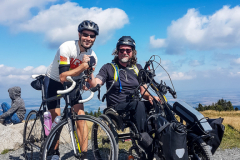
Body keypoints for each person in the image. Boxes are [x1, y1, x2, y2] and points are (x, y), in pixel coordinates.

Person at [90, 36, 161, 159]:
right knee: (138, 104)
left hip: (134, 105)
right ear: (117, 51)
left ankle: (161, 137)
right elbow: (97, 82)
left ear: (133, 52)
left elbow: (143, 91)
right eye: (121, 50)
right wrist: (89, 73)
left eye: (128, 50)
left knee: (156, 103)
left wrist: (150, 97)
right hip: (116, 108)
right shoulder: (108, 67)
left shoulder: (137, 68)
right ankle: (143, 138)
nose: (124, 52)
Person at [45, 20, 99, 160]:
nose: (88, 38)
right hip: (54, 80)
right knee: (55, 117)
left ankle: (84, 155)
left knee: (80, 115)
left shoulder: (93, 56)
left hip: (72, 83)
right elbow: (63, 76)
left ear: (94, 38)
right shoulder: (67, 47)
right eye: (85, 34)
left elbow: (89, 80)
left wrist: (90, 80)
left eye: (92, 36)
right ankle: (54, 152)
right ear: (79, 34)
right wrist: (82, 66)